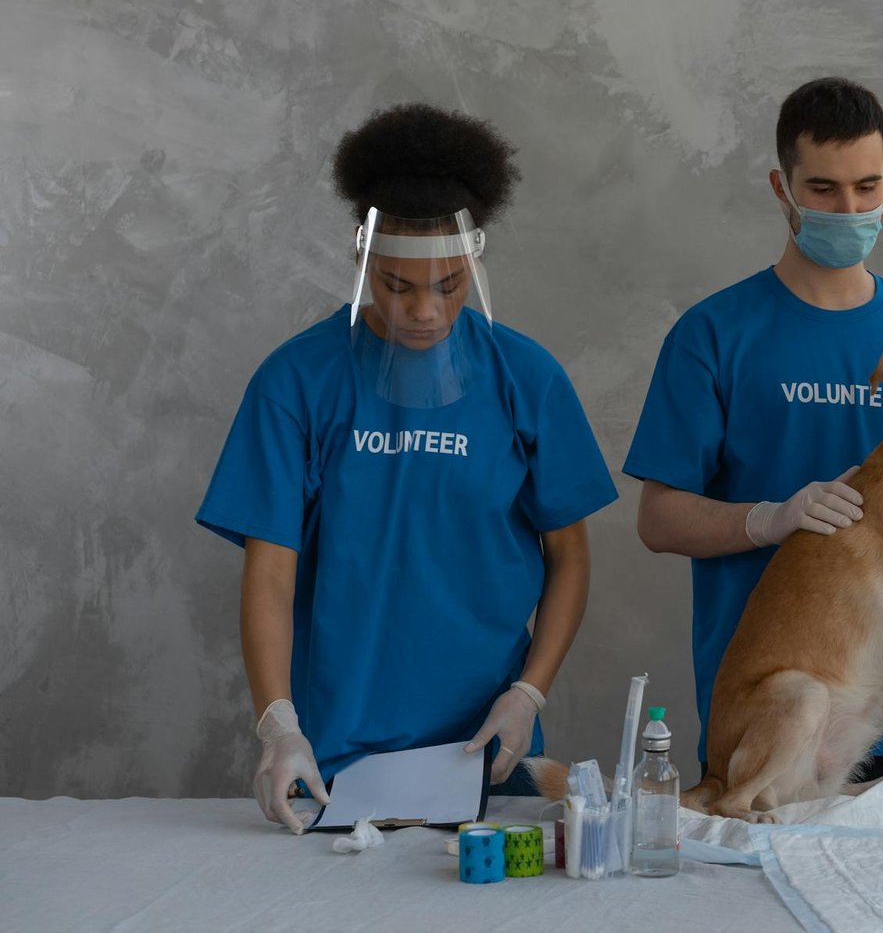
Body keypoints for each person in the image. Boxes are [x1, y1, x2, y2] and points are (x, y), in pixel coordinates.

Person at [197, 103, 617, 832]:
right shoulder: (297, 381)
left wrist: (531, 694)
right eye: (398, 285)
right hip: (336, 763)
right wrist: (277, 724)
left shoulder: (527, 379)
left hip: (486, 754)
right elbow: (270, 568)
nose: (425, 310)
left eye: (449, 284)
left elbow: (569, 555)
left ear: (474, 264)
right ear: (362, 259)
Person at [625, 76, 883, 780]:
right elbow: (658, 521)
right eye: (824, 189)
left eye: (867, 187)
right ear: (782, 186)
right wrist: (769, 520)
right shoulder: (713, 335)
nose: (849, 208)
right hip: (784, 722)